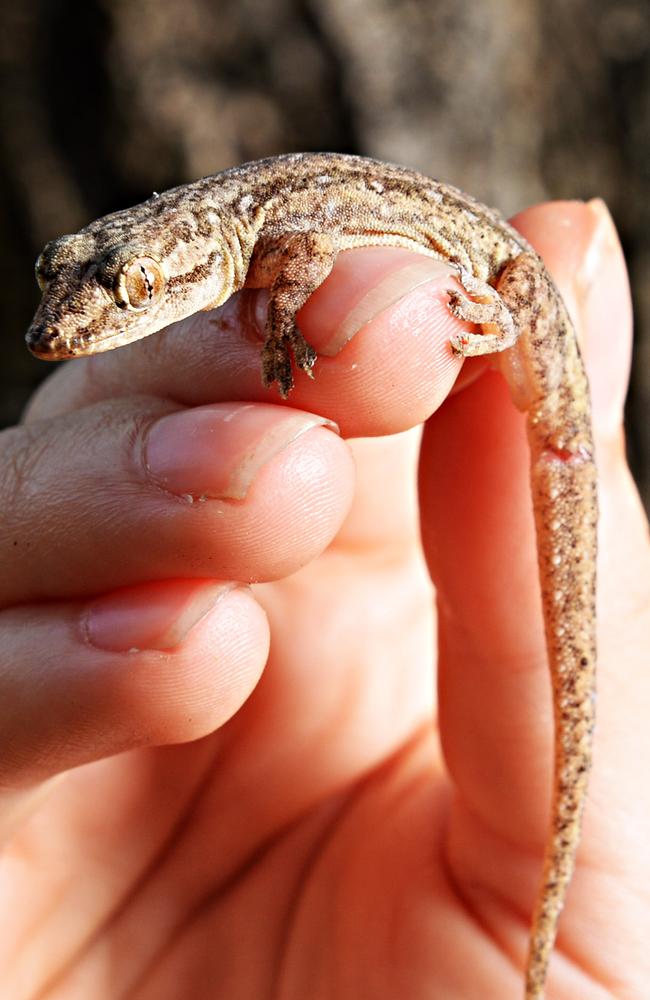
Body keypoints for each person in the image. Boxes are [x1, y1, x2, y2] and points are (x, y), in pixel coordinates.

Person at [1, 198, 648, 998]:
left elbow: (305, 249)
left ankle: (546, 940)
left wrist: (283, 328)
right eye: (53, 276)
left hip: (516, 298)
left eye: (137, 288)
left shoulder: (273, 245)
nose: (60, 327)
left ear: (195, 262)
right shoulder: (243, 243)